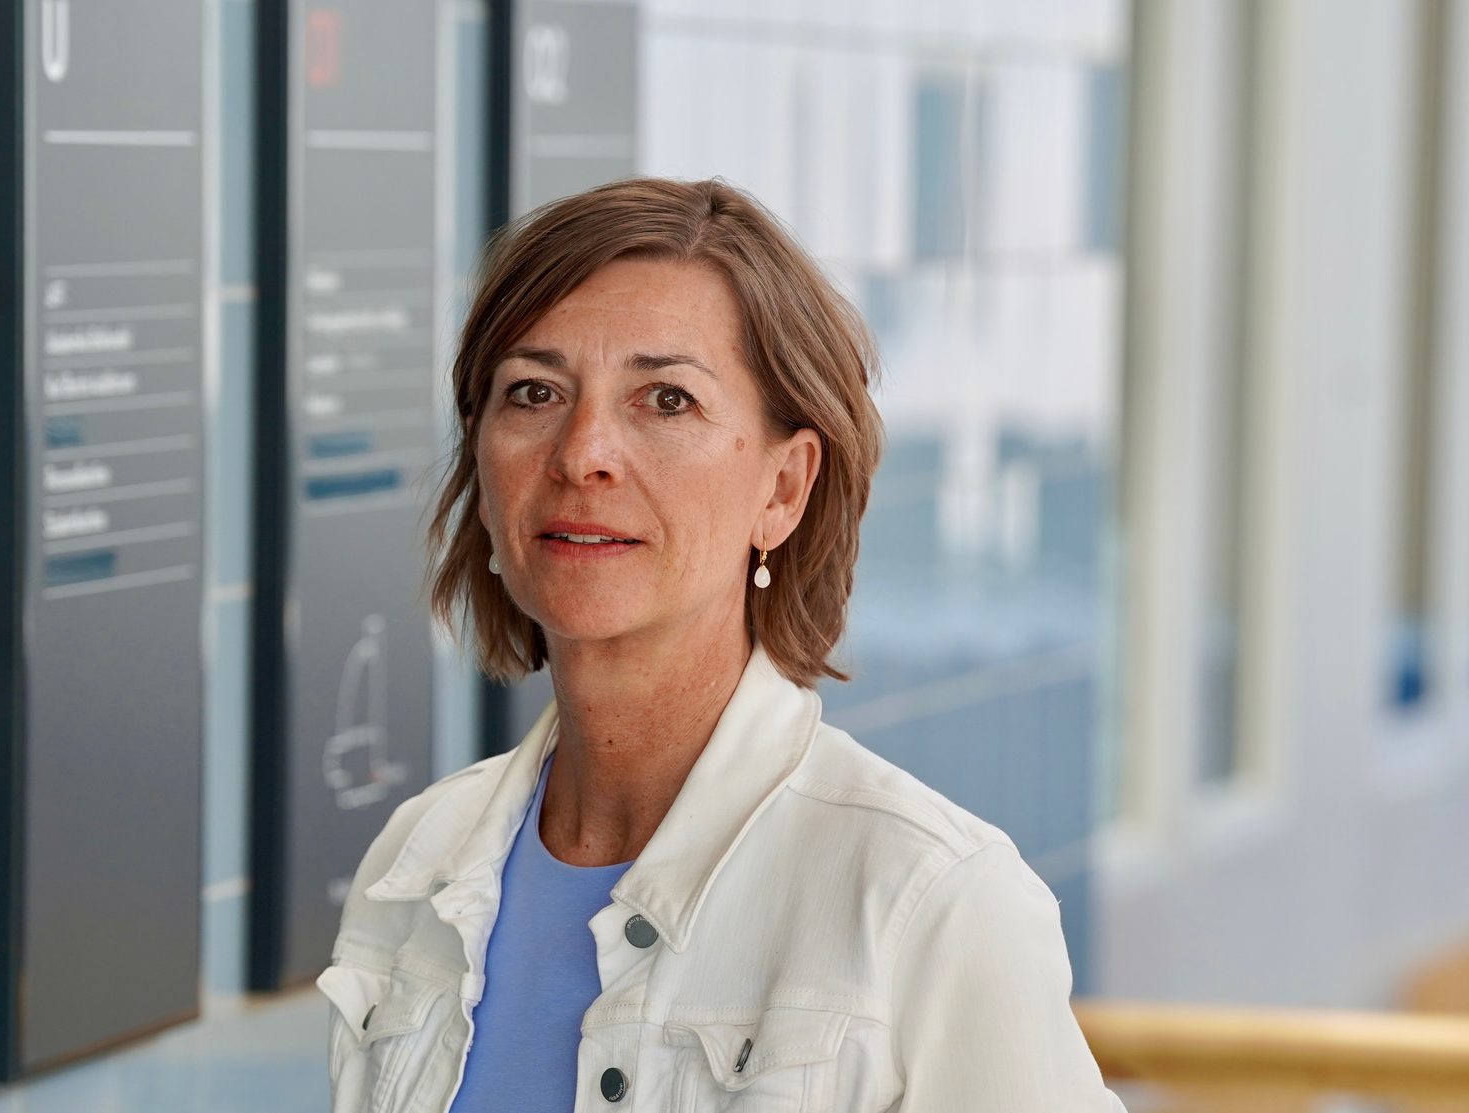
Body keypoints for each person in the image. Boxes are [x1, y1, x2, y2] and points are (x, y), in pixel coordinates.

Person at [318, 176, 1126, 1113]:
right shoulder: (416, 862)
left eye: (665, 400)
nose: (583, 453)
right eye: (534, 391)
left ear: (784, 488)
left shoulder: (930, 902)